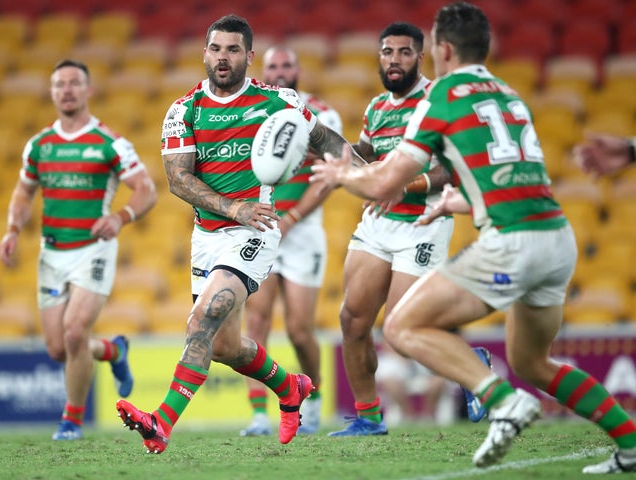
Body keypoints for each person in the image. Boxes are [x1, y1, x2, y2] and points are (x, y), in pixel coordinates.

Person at [311, 2, 636, 473]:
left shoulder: (441, 95)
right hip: (555, 237)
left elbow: (384, 184)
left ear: (440, 50)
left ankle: (502, 400)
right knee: (532, 362)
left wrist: (341, 173)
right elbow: (510, 177)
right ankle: (628, 442)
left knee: (402, 326)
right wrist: (461, 202)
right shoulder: (509, 95)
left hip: (512, 242)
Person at [115, 14, 360, 454]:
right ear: (204, 53)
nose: (222, 57)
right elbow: (178, 180)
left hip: (255, 230)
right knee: (226, 345)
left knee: (200, 322)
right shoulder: (183, 110)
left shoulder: (278, 102)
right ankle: (290, 387)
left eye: (232, 49)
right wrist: (232, 207)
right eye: (215, 49)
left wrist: (373, 181)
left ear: (249, 56)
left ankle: (160, 422)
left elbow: (326, 139)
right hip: (208, 235)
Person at [325, 21, 480, 437]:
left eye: (404, 52)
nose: (395, 60)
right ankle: (369, 417)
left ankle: (473, 367)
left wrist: (402, 183)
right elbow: (368, 154)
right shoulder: (376, 107)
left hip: (423, 222)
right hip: (379, 223)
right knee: (352, 319)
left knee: (401, 328)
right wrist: (329, 151)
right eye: (387, 52)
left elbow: (453, 166)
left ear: (420, 56)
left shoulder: (437, 100)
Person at [0, 59, 158, 441]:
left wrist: (119, 218)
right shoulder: (39, 145)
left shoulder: (108, 142)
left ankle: (71, 419)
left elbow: (146, 190)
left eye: (74, 83)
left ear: (88, 91)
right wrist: (12, 230)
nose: (67, 90)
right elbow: (24, 191)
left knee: (73, 334)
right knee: (57, 348)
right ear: (52, 93)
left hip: (93, 250)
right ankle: (114, 351)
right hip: (52, 254)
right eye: (59, 85)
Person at [239, 44, 343, 437]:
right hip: (262, 227)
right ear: (262, 70)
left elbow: (331, 173)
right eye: (273, 66)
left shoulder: (320, 115)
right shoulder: (253, 110)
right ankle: (259, 415)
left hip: (302, 233)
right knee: (257, 323)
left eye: (287, 65)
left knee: (300, 330)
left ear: (298, 69)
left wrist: (294, 216)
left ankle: (312, 400)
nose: (280, 71)